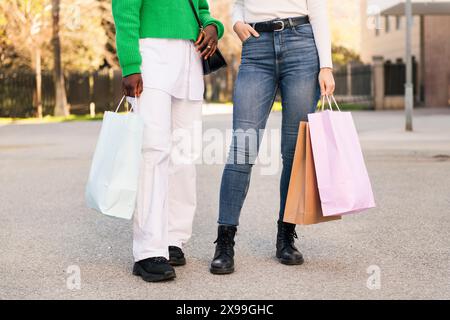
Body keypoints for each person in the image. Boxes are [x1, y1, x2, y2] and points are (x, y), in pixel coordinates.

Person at [210, 0, 335, 275]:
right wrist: (236, 22)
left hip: (302, 46)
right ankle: (225, 242)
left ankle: (285, 236)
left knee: (294, 151)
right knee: (242, 148)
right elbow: (238, 4)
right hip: (257, 48)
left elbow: (318, 11)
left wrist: (326, 65)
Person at [112, 0, 224, 282]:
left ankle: (173, 238)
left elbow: (202, 9)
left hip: (190, 57)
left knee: (185, 155)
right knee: (154, 151)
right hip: (151, 54)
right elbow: (125, 11)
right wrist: (129, 64)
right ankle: (148, 251)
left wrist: (213, 27)